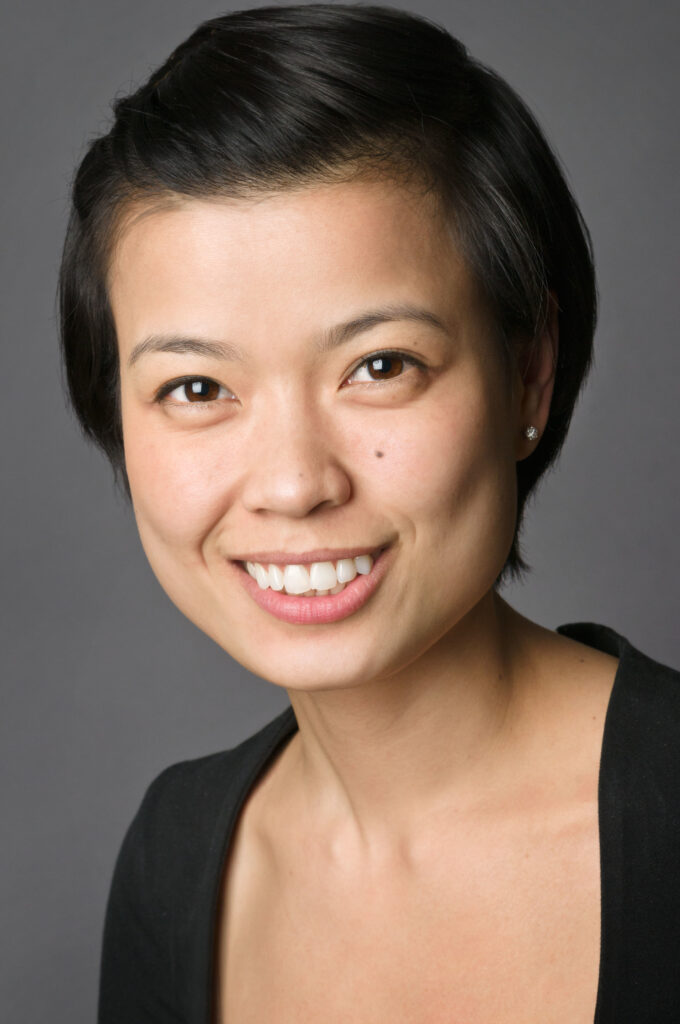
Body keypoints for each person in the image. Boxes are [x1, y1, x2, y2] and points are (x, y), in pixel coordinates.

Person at [58, 4, 680, 1022]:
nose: (295, 482)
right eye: (196, 389)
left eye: (378, 366)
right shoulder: (176, 864)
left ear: (527, 375)